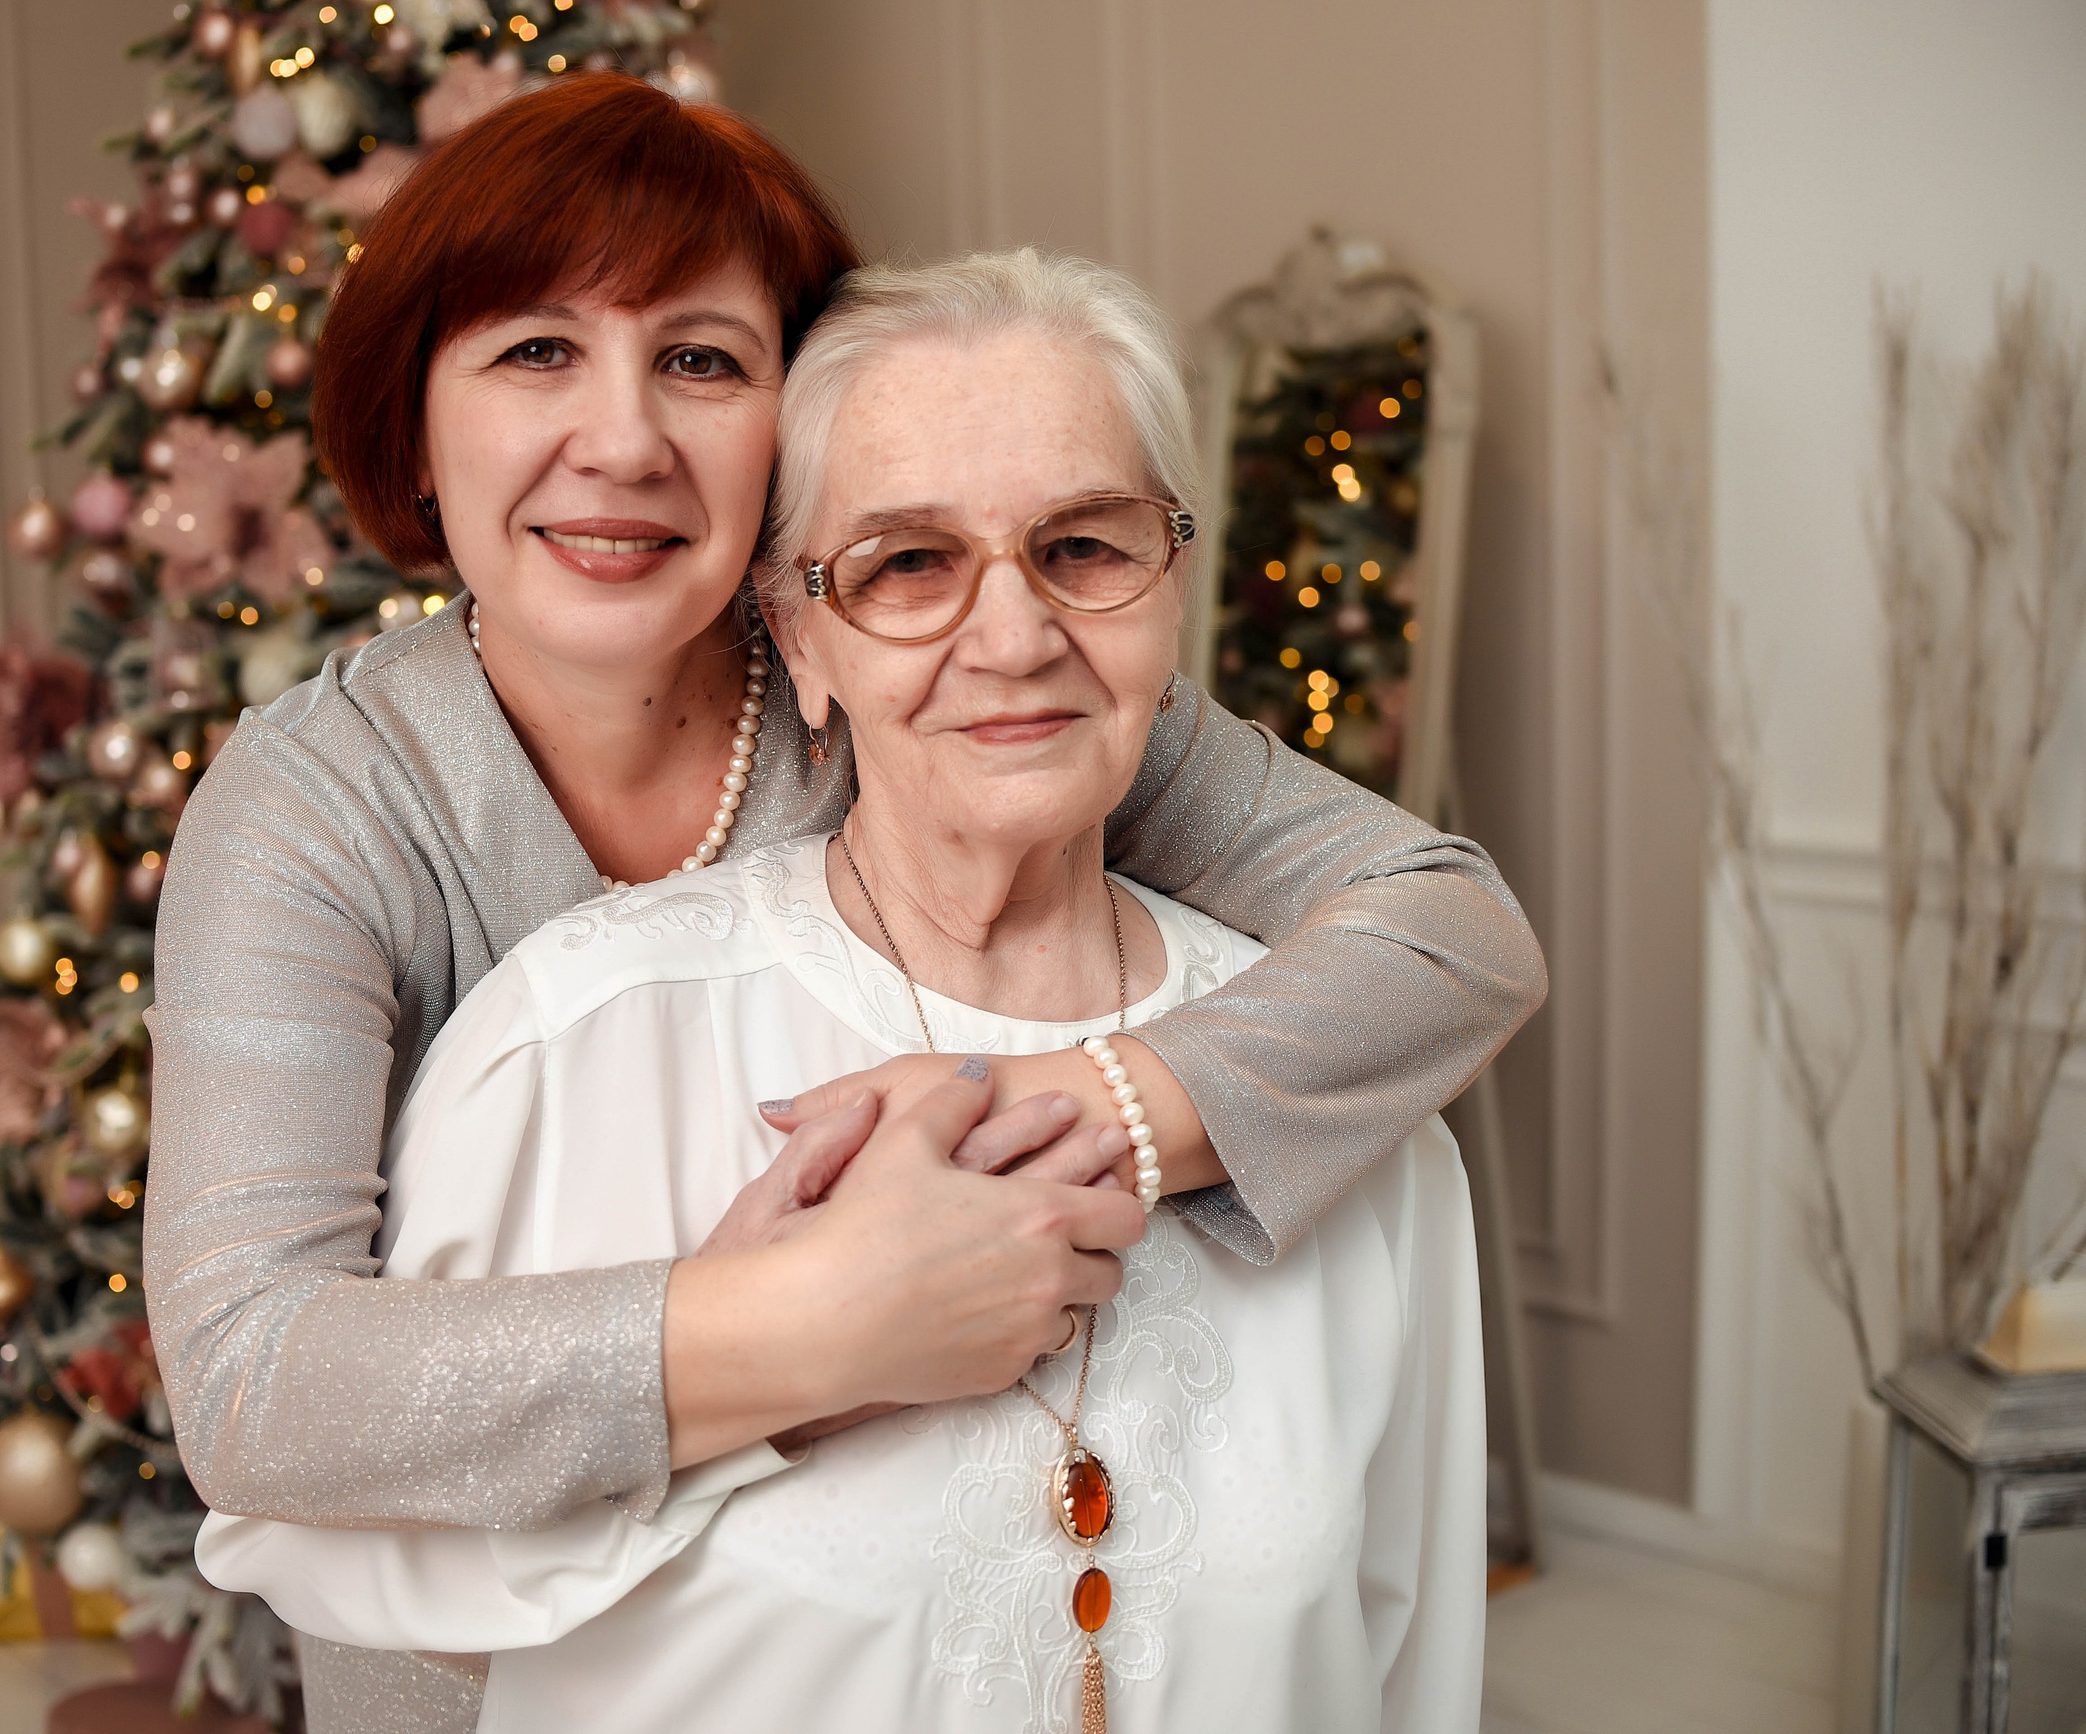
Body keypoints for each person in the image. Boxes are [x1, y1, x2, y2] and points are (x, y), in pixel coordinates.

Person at [146, 75, 1541, 1732]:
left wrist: (1101, 1103)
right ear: (418, 435)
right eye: (535, 351)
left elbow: (1447, 924)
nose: (623, 437)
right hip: (472, 1652)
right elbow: (250, 1380)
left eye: (702, 358)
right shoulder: (316, 807)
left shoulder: (950, 673)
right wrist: (809, 1325)